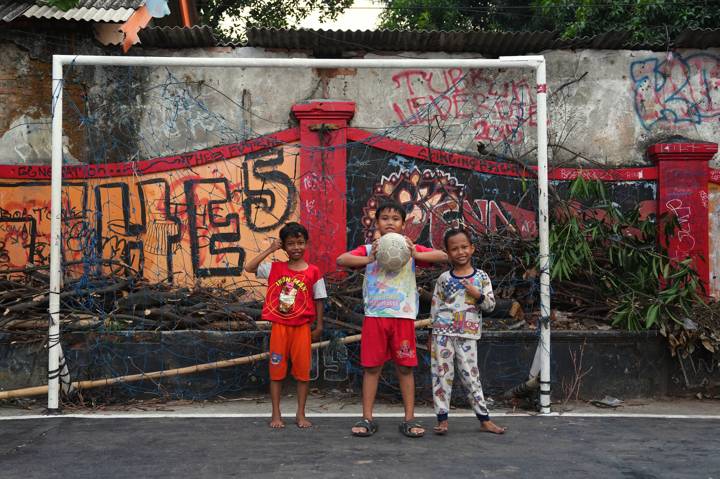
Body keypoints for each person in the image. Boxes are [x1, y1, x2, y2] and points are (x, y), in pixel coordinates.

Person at [337, 199, 448, 438]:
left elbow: (442, 256)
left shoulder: (410, 249)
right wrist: (369, 259)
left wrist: (415, 252)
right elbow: (341, 260)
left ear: (403, 224)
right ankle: (367, 418)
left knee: (405, 369)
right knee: (372, 368)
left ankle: (409, 418)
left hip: (403, 317)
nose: (390, 222)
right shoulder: (369, 250)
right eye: (385, 218)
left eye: (395, 219)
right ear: (376, 223)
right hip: (375, 317)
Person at [245, 222, 326, 429]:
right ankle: (276, 413)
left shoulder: (314, 271)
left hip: (302, 329)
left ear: (306, 244)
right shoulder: (275, 268)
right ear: (284, 246)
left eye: (300, 242)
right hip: (280, 327)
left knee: (302, 373)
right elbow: (249, 267)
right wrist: (271, 249)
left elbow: (319, 300)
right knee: (276, 371)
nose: (296, 247)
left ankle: (300, 414)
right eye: (290, 243)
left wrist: (319, 326)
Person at [429, 228, 506, 435]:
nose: (460, 252)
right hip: (443, 334)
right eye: (454, 249)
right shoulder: (444, 279)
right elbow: (435, 307)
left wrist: (477, 295)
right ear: (447, 252)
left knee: (471, 377)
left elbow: (490, 306)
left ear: (472, 248)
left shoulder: (481, 277)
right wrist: (432, 333)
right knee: (441, 375)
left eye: (464, 247)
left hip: (467, 335)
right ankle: (442, 419)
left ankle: (484, 419)